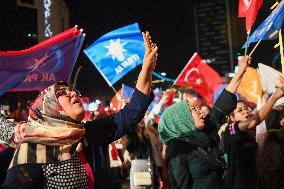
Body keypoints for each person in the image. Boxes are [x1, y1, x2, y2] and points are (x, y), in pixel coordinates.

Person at [0, 31, 158, 189]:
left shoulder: (88, 133)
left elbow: (132, 112)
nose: (73, 93)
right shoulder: (32, 151)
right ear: (50, 108)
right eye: (62, 93)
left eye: (73, 90)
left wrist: (146, 70)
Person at [158, 56, 252, 189]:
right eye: (194, 110)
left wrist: (241, 71)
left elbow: (222, 105)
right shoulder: (177, 149)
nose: (202, 113)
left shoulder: (204, 132)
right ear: (181, 118)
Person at [223, 85, 284, 189]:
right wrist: (275, 97)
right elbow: (254, 121)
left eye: (246, 108)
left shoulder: (250, 135)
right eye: (240, 110)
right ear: (231, 118)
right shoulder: (230, 129)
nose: (245, 111)